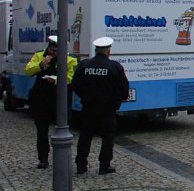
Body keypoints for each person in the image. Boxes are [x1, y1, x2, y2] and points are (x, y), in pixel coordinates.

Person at [72, 37, 129, 175]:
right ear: (108, 51)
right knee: (108, 137)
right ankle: (104, 165)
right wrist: (118, 99)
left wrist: (85, 96)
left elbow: (75, 85)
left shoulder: (84, 65)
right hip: (108, 108)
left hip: (88, 106)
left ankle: (81, 165)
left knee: (85, 135)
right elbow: (124, 88)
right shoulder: (114, 67)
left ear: (95, 50)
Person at [25, 35, 77, 169]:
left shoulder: (70, 60)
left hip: (59, 100)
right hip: (41, 100)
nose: (53, 53)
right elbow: (28, 71)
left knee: (62, 131)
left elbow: (71, 78)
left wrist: (56, 80)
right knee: (41, 131)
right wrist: (40, 65)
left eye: (56, 50)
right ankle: (43, 159)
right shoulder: (38, 56)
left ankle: (62, 157)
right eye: (51, 50)